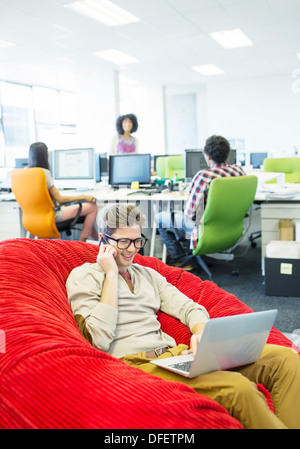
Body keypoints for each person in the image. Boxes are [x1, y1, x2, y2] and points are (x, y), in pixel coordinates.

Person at [66, 203, 300, 429]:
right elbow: (99, 337)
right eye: (124, 241)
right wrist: (110, 274)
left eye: (137, 241)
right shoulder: (85, 276)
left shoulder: (148, 274)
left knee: (285, 359)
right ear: (104, 242)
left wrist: (201, 334)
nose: (132, 250)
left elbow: (190, 308)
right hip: (137, 365)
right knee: (238, 388)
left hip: (174, 356)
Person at [155, 135, 246, 269]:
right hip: (231, 227)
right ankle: (188, 254)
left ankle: (179, 258)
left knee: (159, 217)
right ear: (228, 154)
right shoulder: (238, 171)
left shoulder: (203, 177)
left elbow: (190, 215)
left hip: (204, 229)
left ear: (207, 156)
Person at [28, 142, 98, 242]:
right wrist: (83, 196)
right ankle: (81, 243)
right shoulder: (43, 173)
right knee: (92, 207)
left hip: (31, 219)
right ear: (46, 154)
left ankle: (96, 243)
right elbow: (60, 199)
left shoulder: (25, 174)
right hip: (52, 216)